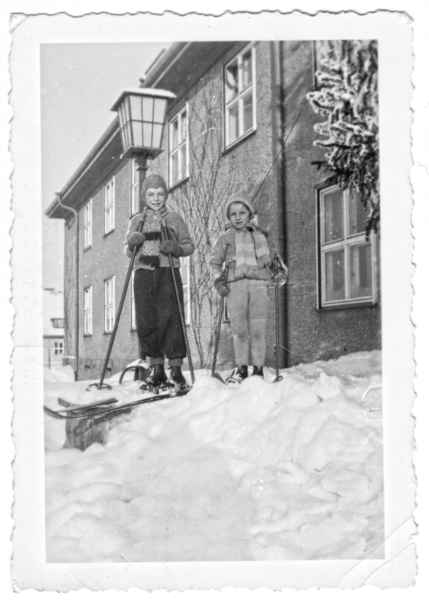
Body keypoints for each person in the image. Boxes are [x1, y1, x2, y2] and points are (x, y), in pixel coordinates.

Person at [123, 174, 194, 391]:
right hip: (143, 274)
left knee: (171, 318)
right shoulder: (136, 221)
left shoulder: (174, 218)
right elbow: (127, 251)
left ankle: (176, 370)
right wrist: (132, 243)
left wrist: (176, 248)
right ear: (144, 196)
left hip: (167, 273)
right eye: (151, 194)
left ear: (166, 195)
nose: (156, 198)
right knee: (147, 320)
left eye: (160, 193)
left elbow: (188, 245)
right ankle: (156, 369)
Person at [209, 189, 287, 382]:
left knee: (259, 331)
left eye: (242, 213)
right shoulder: (225, 238)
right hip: (235, 287)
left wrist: (279, 273)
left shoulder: (262, 236)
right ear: (228, 216)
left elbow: (275, 260)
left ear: (250, 214)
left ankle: (258, 370)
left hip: (259, 286)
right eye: (233, 214)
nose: (237, 218)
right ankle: (241, 369)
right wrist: (219, 281)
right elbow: (214, 263)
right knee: (240, 331)